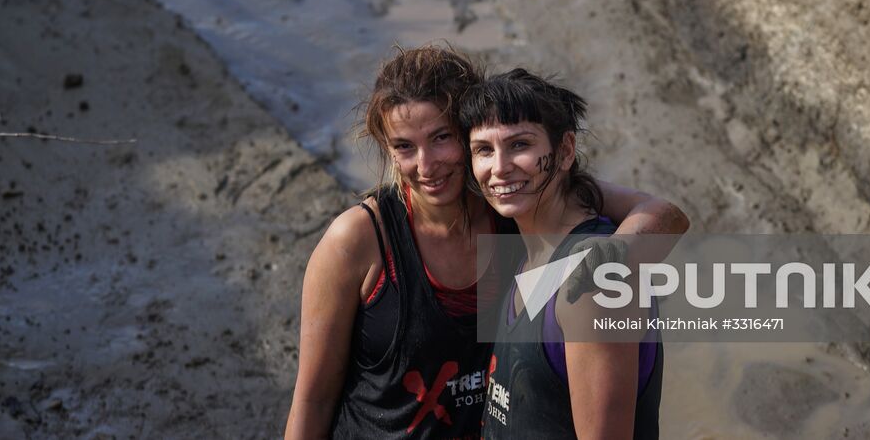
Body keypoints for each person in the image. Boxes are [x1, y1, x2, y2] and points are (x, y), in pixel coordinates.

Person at [284, 46, 687, 439]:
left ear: (467, 131)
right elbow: (313, 400)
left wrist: (606, 267)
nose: (426, 165)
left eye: (441, 137)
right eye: (404, 146)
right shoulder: (359, 239)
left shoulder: (512, 204)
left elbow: (666, 215)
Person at [463, 68, 664, 440]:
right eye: (483, 150)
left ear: (566, 150)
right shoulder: (527, 251)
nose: (499, 167)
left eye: (520, 145)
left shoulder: (592, 284)